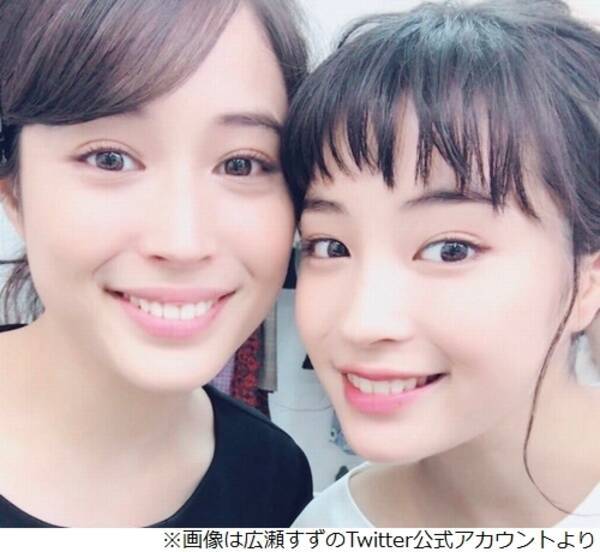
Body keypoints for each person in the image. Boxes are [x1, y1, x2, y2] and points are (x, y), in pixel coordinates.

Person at [281, 0, 600, 527]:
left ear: (588, 280)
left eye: (450, 249)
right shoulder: (326, 527)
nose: (362, 324)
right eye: (330, 246)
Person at [0, 0, 312, 528]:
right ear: (14, 193)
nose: (183, 243)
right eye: (110, 159)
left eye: (241, 164)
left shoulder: (274, 478)